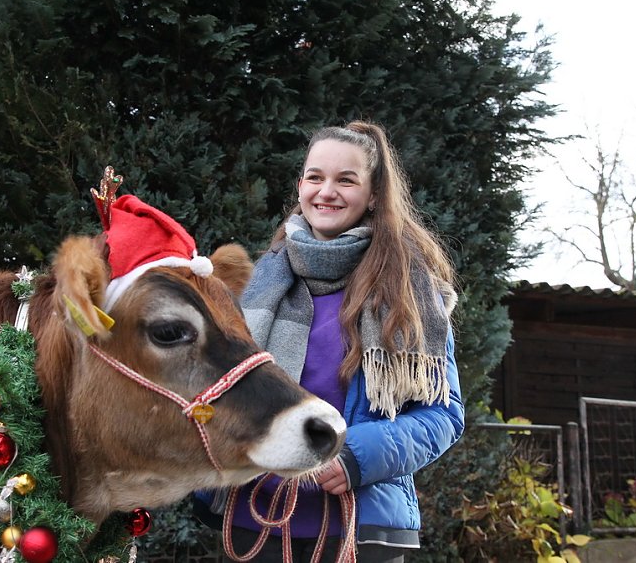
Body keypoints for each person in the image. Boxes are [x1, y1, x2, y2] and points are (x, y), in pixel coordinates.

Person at [194, 121, 464, 562]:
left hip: (358, 528)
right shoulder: (257, 285)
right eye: (315, 177)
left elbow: (444, 415)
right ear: (300, 186)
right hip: (251, 520)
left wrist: (355, 456)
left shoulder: (410, 297)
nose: (327, 191)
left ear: (374, 194)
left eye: (346, 180)